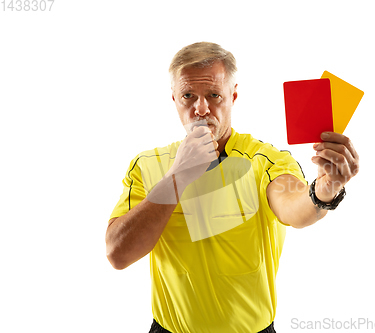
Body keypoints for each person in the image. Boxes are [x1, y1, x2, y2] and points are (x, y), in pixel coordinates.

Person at [105, 42, 360, 333]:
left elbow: (294, 208)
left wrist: (325, 189)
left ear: (233, 96)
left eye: (214, 95)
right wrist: (177, 176)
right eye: (188, 95)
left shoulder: (265, 159)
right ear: (174, 98)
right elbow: (118, 254)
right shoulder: (147, 164)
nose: (201, 108)